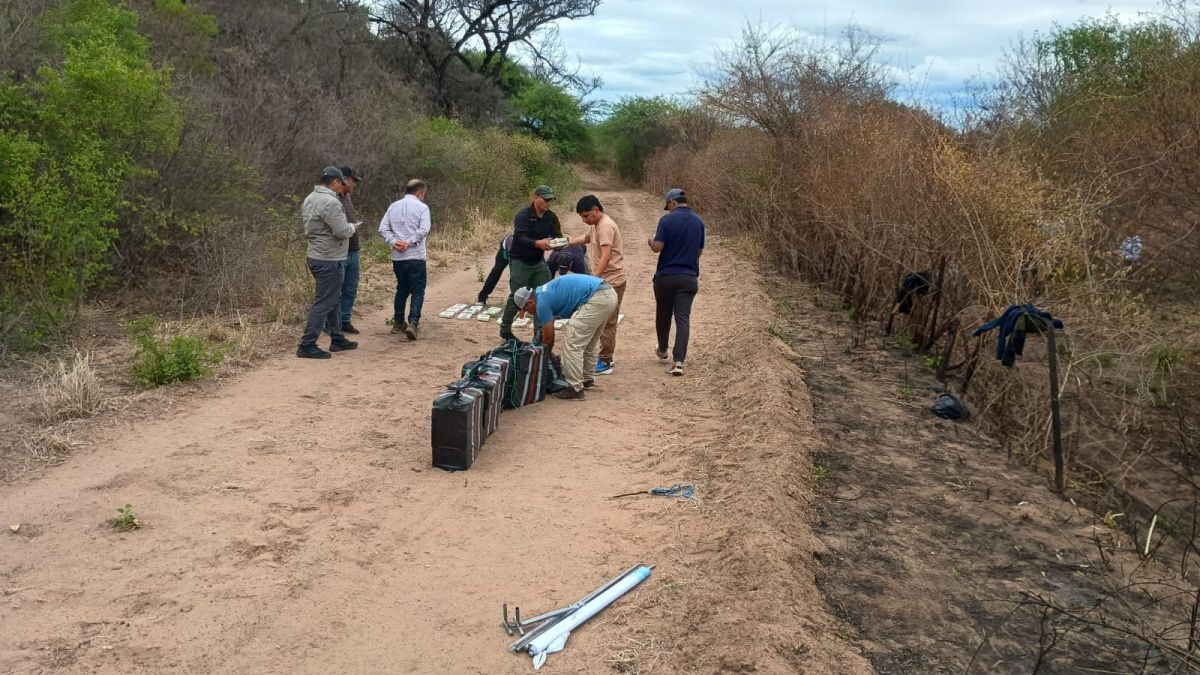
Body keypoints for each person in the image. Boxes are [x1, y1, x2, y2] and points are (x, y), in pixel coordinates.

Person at [513, 274, 618, 400]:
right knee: (589, 342)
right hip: (608, 294)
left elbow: (549, 338)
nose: (529, 313)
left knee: (573, 343)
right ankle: (586, 380)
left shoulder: (541, 303)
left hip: (596, 298)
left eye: (526, 310)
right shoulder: (543, 292)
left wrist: (544, 357)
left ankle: (575, 389)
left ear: (530, 302)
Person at [297, 166, 358, 359]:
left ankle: (337, 338)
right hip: (329, 258)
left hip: (316, 255)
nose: (343, 187)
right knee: (324, 302)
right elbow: (341, 231)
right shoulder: (330, 202)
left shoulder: (310, 198)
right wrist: (353, 227)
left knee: (333, 300)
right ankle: (307, 344)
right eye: (341, 183)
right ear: (335, 182)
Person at [648, 188, 704, 376]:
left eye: (668, 206)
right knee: (683, 318)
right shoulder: (699, 222)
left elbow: (657, 247)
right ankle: (678, 361)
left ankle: (662, 349)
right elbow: (699, 251)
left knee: (663, 315)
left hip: (665, 277)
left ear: (672, 202)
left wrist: (651, 241)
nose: (668, 210)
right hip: (688, 278)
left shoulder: (666, 220)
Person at [569, 195, 625, 375]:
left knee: (608, 323)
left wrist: (594, 278)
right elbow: (587, 238)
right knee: (599, 320)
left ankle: (606, 361)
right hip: (603, 281)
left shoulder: (606, 226)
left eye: (586, 216)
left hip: (612, 281)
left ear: (596, 210)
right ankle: (599, 356)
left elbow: (606, 255)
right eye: (582, 217)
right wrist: (568, 242)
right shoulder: (596, 226)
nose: (585, 220)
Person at [500, 185, 561, 341]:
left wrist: (559, 243)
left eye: (550, 199)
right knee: (518, 297)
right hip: (520, 260)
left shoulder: (551, 217)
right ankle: (505, 329)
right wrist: (537, 243)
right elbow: (520, 237)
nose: (548, 202)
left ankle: (539, 334)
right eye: (545, 199)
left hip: (538, 262)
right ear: (535, 197)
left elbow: (557, 236)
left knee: (542, 296)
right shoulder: (523, 216)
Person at [379, 179, 432, 340]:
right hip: (415, 256)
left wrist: (395, 242)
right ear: (420, 193)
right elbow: (424, 229)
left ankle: (398, 323)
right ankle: (413, 323)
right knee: (418, 290)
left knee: (402, 288)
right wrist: (408, 242)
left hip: (398, 257)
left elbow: (382, 228)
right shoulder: (422, 207)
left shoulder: (393, 206)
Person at [336, 165, 363, 334]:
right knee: (335, 290)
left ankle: (344, 320)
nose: (355, 184)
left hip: (353, 250)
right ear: (344, 180)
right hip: (339, 252)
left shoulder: (346, 197)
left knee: (350, 289)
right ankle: (331, 322)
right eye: (353, 181)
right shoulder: (332, 199)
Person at [477, 234, 513, 305]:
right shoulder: (514, 245)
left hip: (517, 253)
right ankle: (482, 297)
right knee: (497, 271)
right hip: (505, 251)